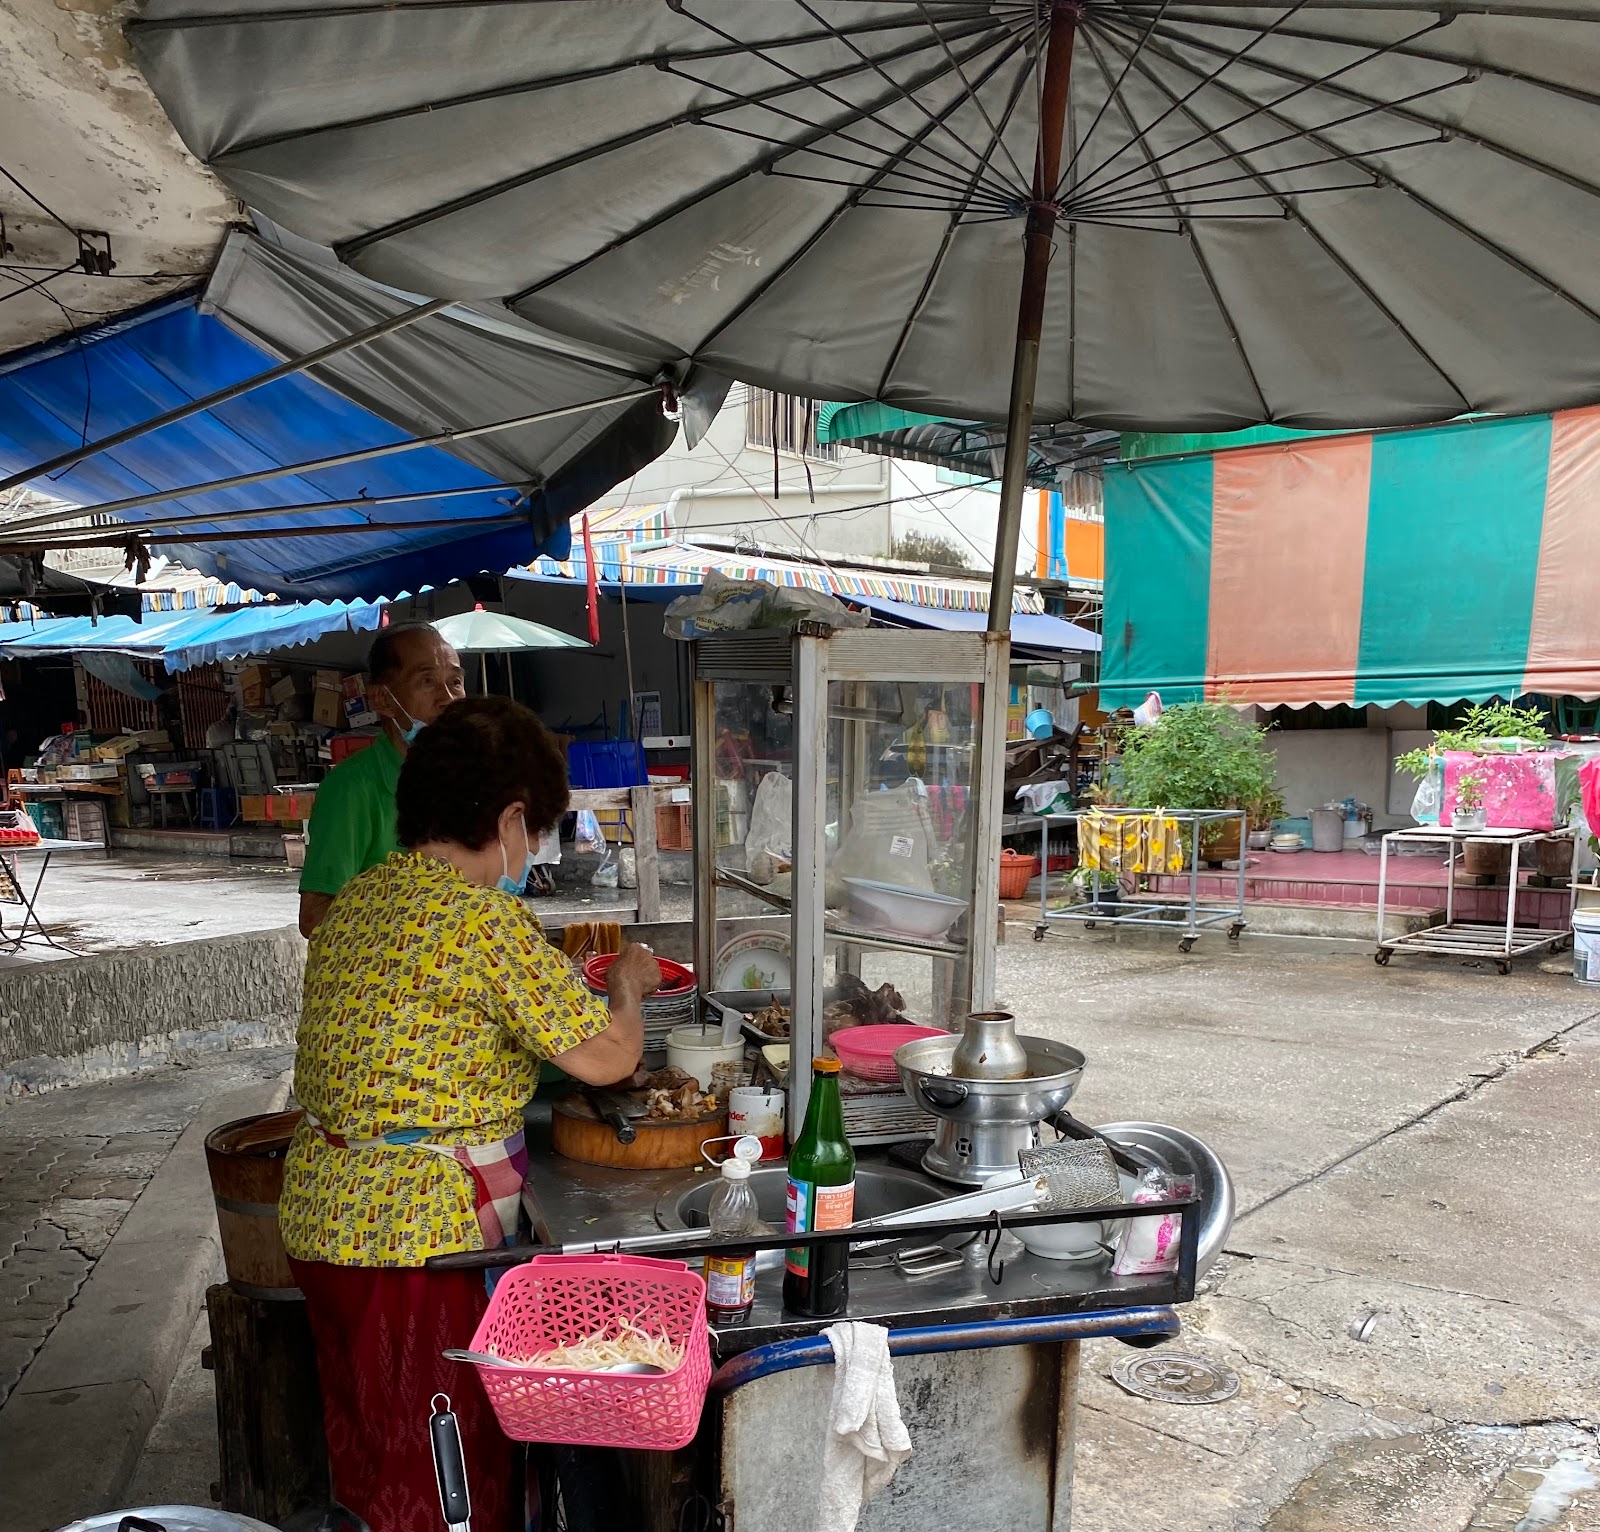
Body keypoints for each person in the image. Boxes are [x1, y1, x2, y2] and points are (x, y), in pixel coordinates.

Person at [280, 696, 661, 1532]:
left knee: (374, 1451)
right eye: (537, 831)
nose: (531, 852)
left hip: (323, 1214)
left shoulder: (366, 898)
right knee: (444, 1467)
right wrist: (629, 986)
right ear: (511, 818)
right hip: (412, 1235)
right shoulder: (480, 919)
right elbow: (608, 1058)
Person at [297, 622, 465, 937]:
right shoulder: (354, 787)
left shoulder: (465, 777)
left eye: (455, 682)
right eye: (427, 681)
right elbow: (315, 918)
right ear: (383, 700)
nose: (448, 699)